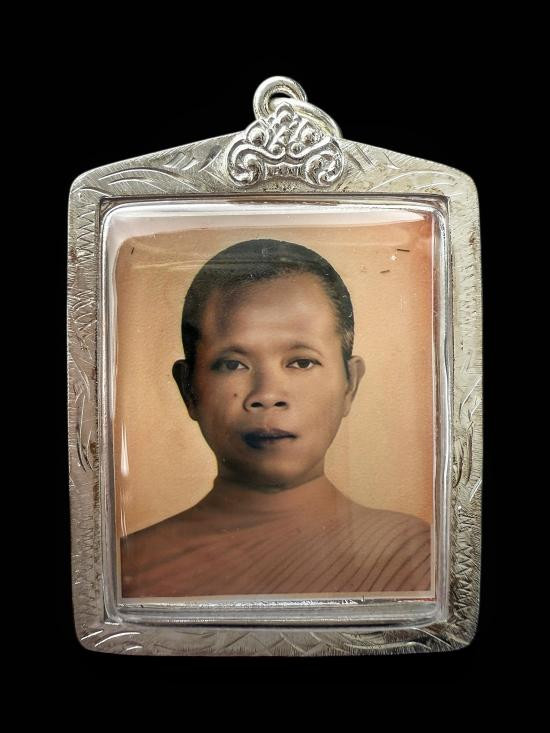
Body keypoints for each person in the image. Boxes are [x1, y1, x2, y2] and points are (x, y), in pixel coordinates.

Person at [121, 239, 431, 597]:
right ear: (189, 389)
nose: (267, 395)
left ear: (350, 384)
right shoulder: (127, 569)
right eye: (233, 364)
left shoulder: (415, 557)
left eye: (301, 362)